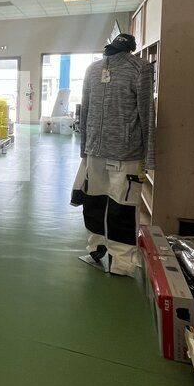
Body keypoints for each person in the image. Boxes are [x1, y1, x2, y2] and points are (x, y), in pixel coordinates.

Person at [73, 33, 155, 276]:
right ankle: (96, 248)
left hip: (126, 154)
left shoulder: (140, 68)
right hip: (95, 151)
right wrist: (85, 149)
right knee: (94, 202)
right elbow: (85, 109)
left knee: (123, 207)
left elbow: (147, 113)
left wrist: (149, 156)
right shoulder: (92, 70)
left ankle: (122, 261)